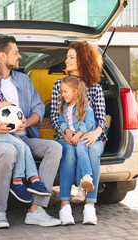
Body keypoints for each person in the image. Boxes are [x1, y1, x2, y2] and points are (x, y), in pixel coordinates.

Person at [0, 36, 62, 229]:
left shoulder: (23, 79)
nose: (19, 56)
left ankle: (36, 210)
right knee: (9, 150)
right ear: (2, 55)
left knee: (54, 148)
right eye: (16, 52)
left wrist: (27, 122)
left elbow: (38, 107)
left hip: (23, 136)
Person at [0, 57, 51, 206]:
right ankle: (17, 181)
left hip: (4, 133)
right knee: (19, 146)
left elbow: (7, 109)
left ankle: (34, 179)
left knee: (24, 146)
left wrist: (17, 117)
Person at [50, 41, 106, 225]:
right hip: (67, 135)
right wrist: (66, 133)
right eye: (67, 57)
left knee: (91, 150)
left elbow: (101, 120)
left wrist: (94, 134)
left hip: (92, 134)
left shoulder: (95, 87)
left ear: (83, 60)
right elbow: (54, 115)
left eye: (71, 57)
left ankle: (90, 205)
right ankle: (65, 204)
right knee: (69, 152)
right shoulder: (60, 84)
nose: (66, 60)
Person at [57, 75, 96, 203]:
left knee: (81, 150)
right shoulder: (64, 108)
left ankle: (87, 177)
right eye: (62, 91)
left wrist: (77, 136)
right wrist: (67, 133)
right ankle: (81, 190)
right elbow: (61, 121)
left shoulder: (85, 108)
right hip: (72, 138)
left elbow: (88, 125)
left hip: (83, 137)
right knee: (75, 152)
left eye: (65, 91)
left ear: (76, 91)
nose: (63, 94)